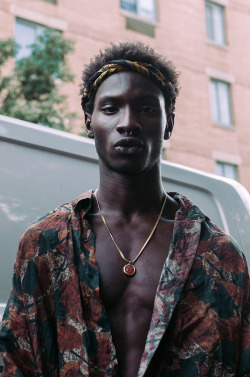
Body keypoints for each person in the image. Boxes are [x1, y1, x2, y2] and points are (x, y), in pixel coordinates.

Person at [0, 41, 249, 377]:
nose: (128, 122)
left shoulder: (218, 254)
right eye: (110, 108)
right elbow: (15, 363)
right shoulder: (46, 243)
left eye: (146, 108)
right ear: (89, 122)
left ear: (169, 124)